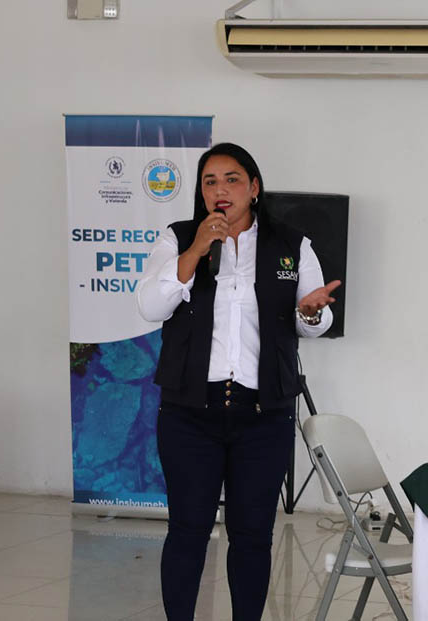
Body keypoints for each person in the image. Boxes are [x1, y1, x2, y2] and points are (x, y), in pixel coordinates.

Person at [137, 142, 341, 620]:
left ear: (253, 188)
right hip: (190, 415)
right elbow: (149, 306)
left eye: (231, 179)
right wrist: (196, 250)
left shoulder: (292, 245)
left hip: (263, 417)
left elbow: (313, 319)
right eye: (209, 181)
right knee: (187, 531)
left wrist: (311, 313)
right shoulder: (178, 238)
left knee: (251, 536)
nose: (220, 190)